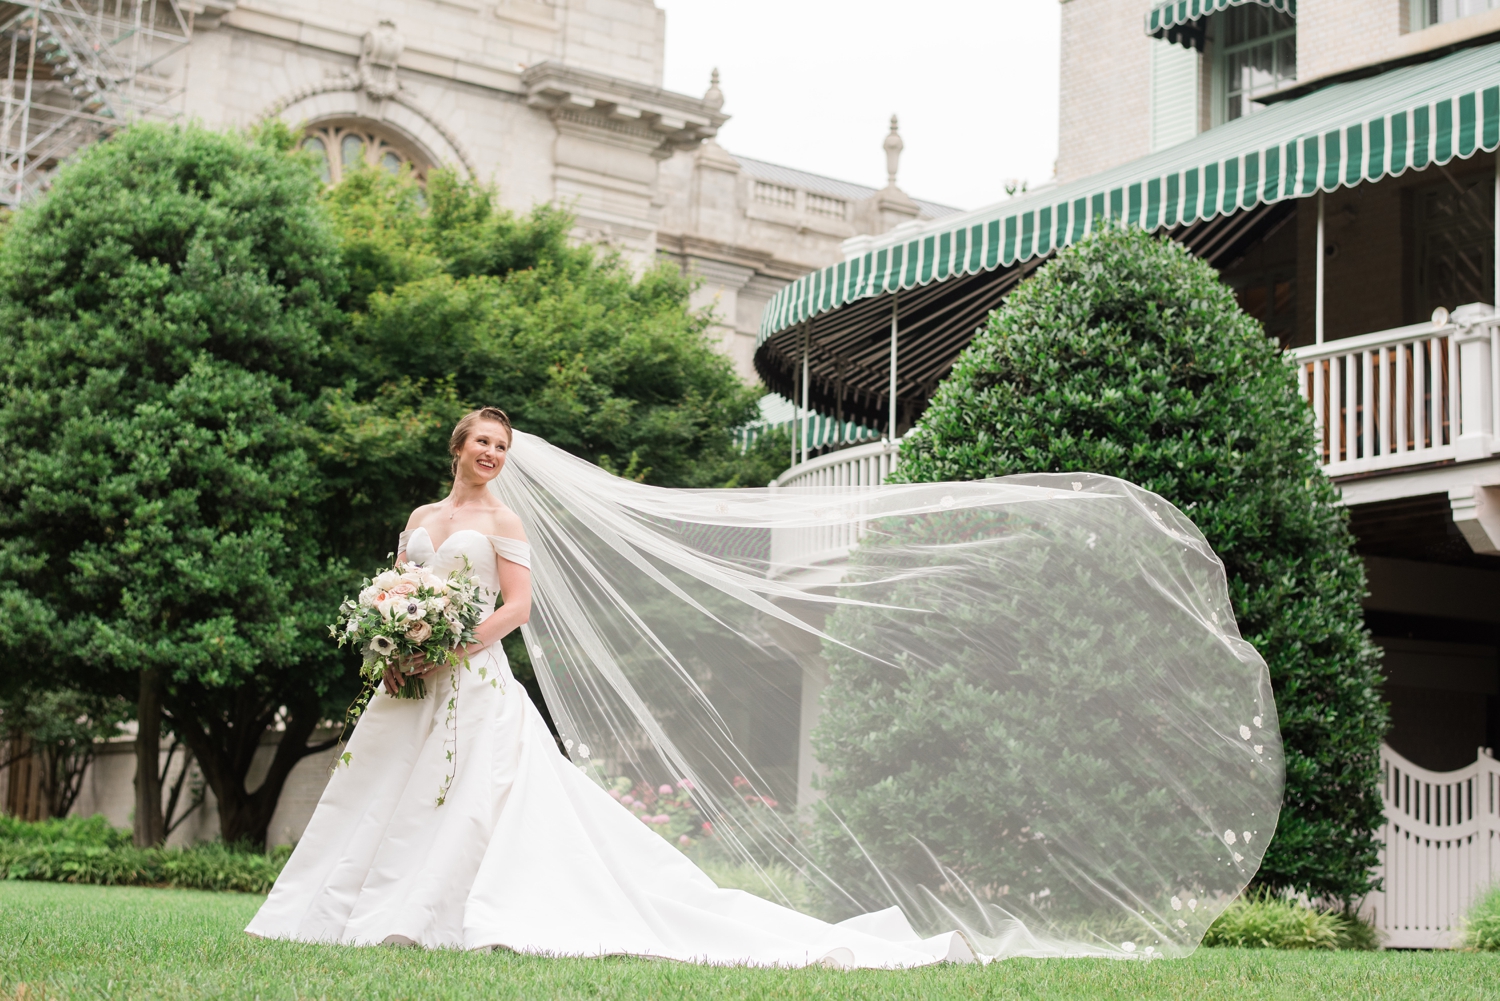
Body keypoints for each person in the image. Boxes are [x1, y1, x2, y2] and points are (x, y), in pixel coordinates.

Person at [245, 408, 973, 967]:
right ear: (458, 446)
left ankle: (429, 911)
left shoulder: (505, 519)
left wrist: (453, 644)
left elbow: (519, 606)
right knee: (385, 789)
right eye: (483, 442)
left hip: (473, 677)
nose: (493, 453)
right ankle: (345, 906)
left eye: (503, 445)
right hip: (410, 681)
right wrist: (400, 642)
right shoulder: (420, 519)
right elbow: (404, 586)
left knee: (467, 797)